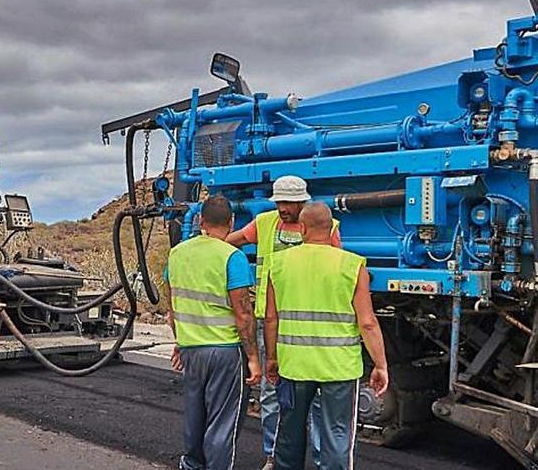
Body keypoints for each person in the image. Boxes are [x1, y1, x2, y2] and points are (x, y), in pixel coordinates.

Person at [226, 176, 340, 469]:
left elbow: (334, 268)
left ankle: (317, 457)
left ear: (303, 202)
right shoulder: (264, 223)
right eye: (279, 202)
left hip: (308, 321)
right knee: (271, 392)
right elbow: (232, 241)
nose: (283, 208)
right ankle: (272, 456)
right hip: (270, 320)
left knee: (314, 398)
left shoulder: (327, 227)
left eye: (289, 203)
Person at [263, 203, 388, 470]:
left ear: (302, 228)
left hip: (293, 365)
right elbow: (367, 322)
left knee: (289, 436)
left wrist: (271, 358)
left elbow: (271, 318)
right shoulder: (352, 265)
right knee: (338, 436)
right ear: (332, 228)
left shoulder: (279, 263)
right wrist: (380, 365)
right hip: (339, 369)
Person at [166, 194, 261, 470]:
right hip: (225, 352)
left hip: (191, 350)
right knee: (222, 423)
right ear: (231, 223)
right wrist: (253, 357)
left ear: (201, 221)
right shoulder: (233, 257)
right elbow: (243, 313)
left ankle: (191, 465)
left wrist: (181, 342)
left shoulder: (177, 253)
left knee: (195, 418)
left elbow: (174, 306)